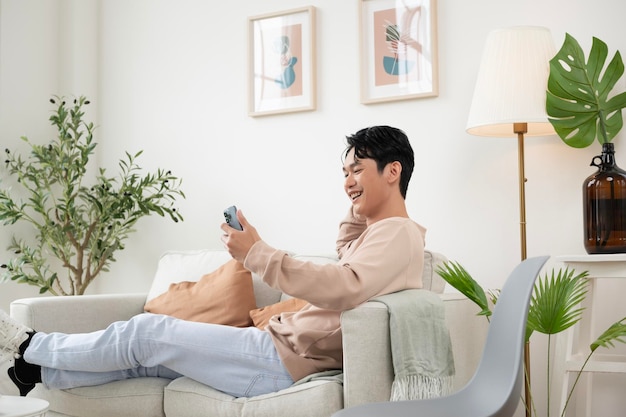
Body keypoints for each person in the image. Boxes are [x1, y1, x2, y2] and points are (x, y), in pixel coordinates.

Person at [0, 125, 426, 399]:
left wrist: (256, 253)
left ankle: (30, 344)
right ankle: (36, 373)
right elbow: (346, 249)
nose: (347, 181)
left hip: (281, 360)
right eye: (344, 172)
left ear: (393, 171)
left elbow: (345, 284)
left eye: (357, 169)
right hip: (278, 351)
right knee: (147, 359)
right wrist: (361, 198)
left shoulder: (398, 233)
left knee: (149, 332)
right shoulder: (382, 232)